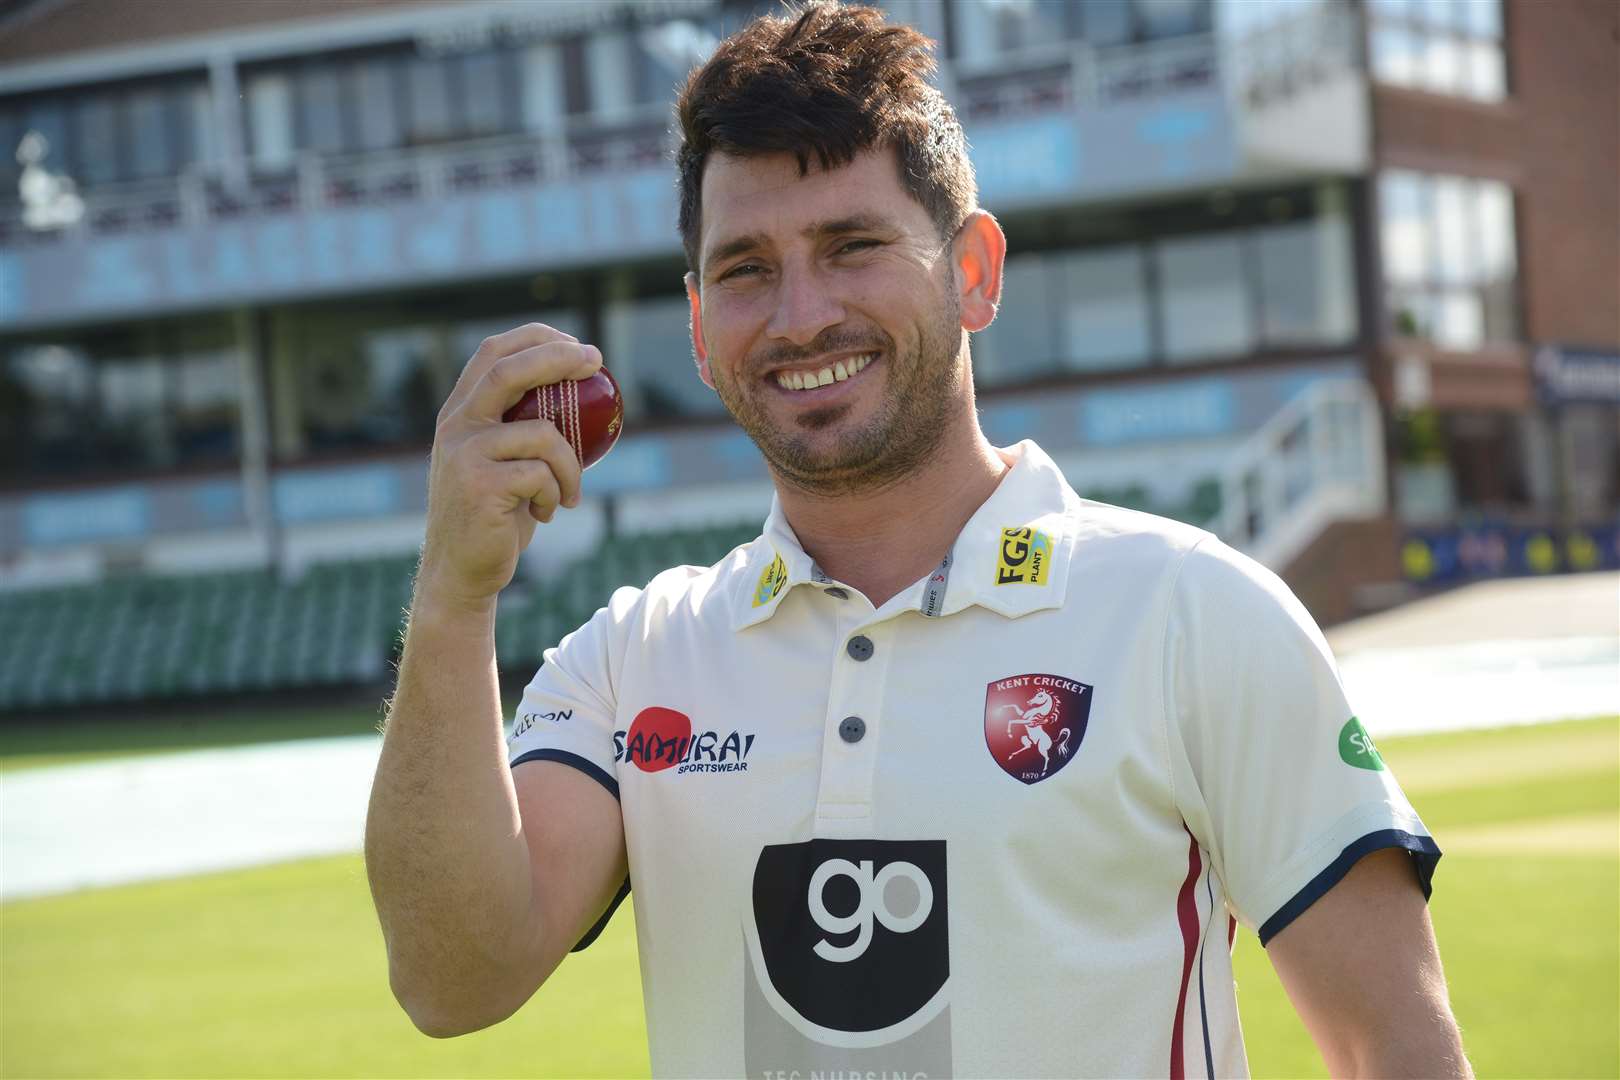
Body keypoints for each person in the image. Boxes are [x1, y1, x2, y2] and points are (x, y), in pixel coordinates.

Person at [364, 4, 1471, 1076]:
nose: (801, 315)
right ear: (700, 328)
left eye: (853, 246)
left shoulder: (1194, 612)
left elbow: (1400, 1053)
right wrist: (456, 600)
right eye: (748, 268)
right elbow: (451, 980)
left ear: (974, 272)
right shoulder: (634, 658)